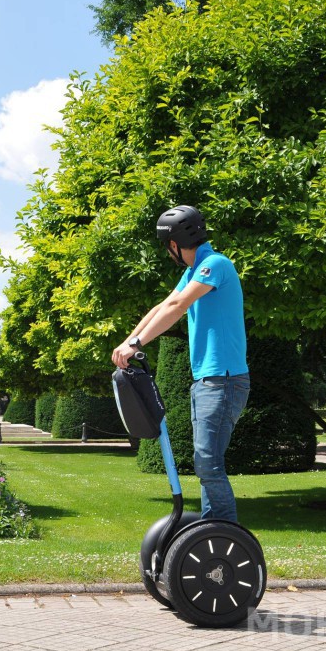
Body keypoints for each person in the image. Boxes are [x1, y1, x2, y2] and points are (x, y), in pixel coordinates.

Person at [111, 205, 250, 522]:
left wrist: (135, 344)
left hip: (224, 380)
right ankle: (212, 528)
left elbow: (177, 304)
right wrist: (128, 342)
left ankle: (226, 532)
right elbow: (163, 306)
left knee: (207, 462)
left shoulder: (215, 265)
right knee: (207, 462)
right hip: (208, 380)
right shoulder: (193, 272)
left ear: (173, 244)